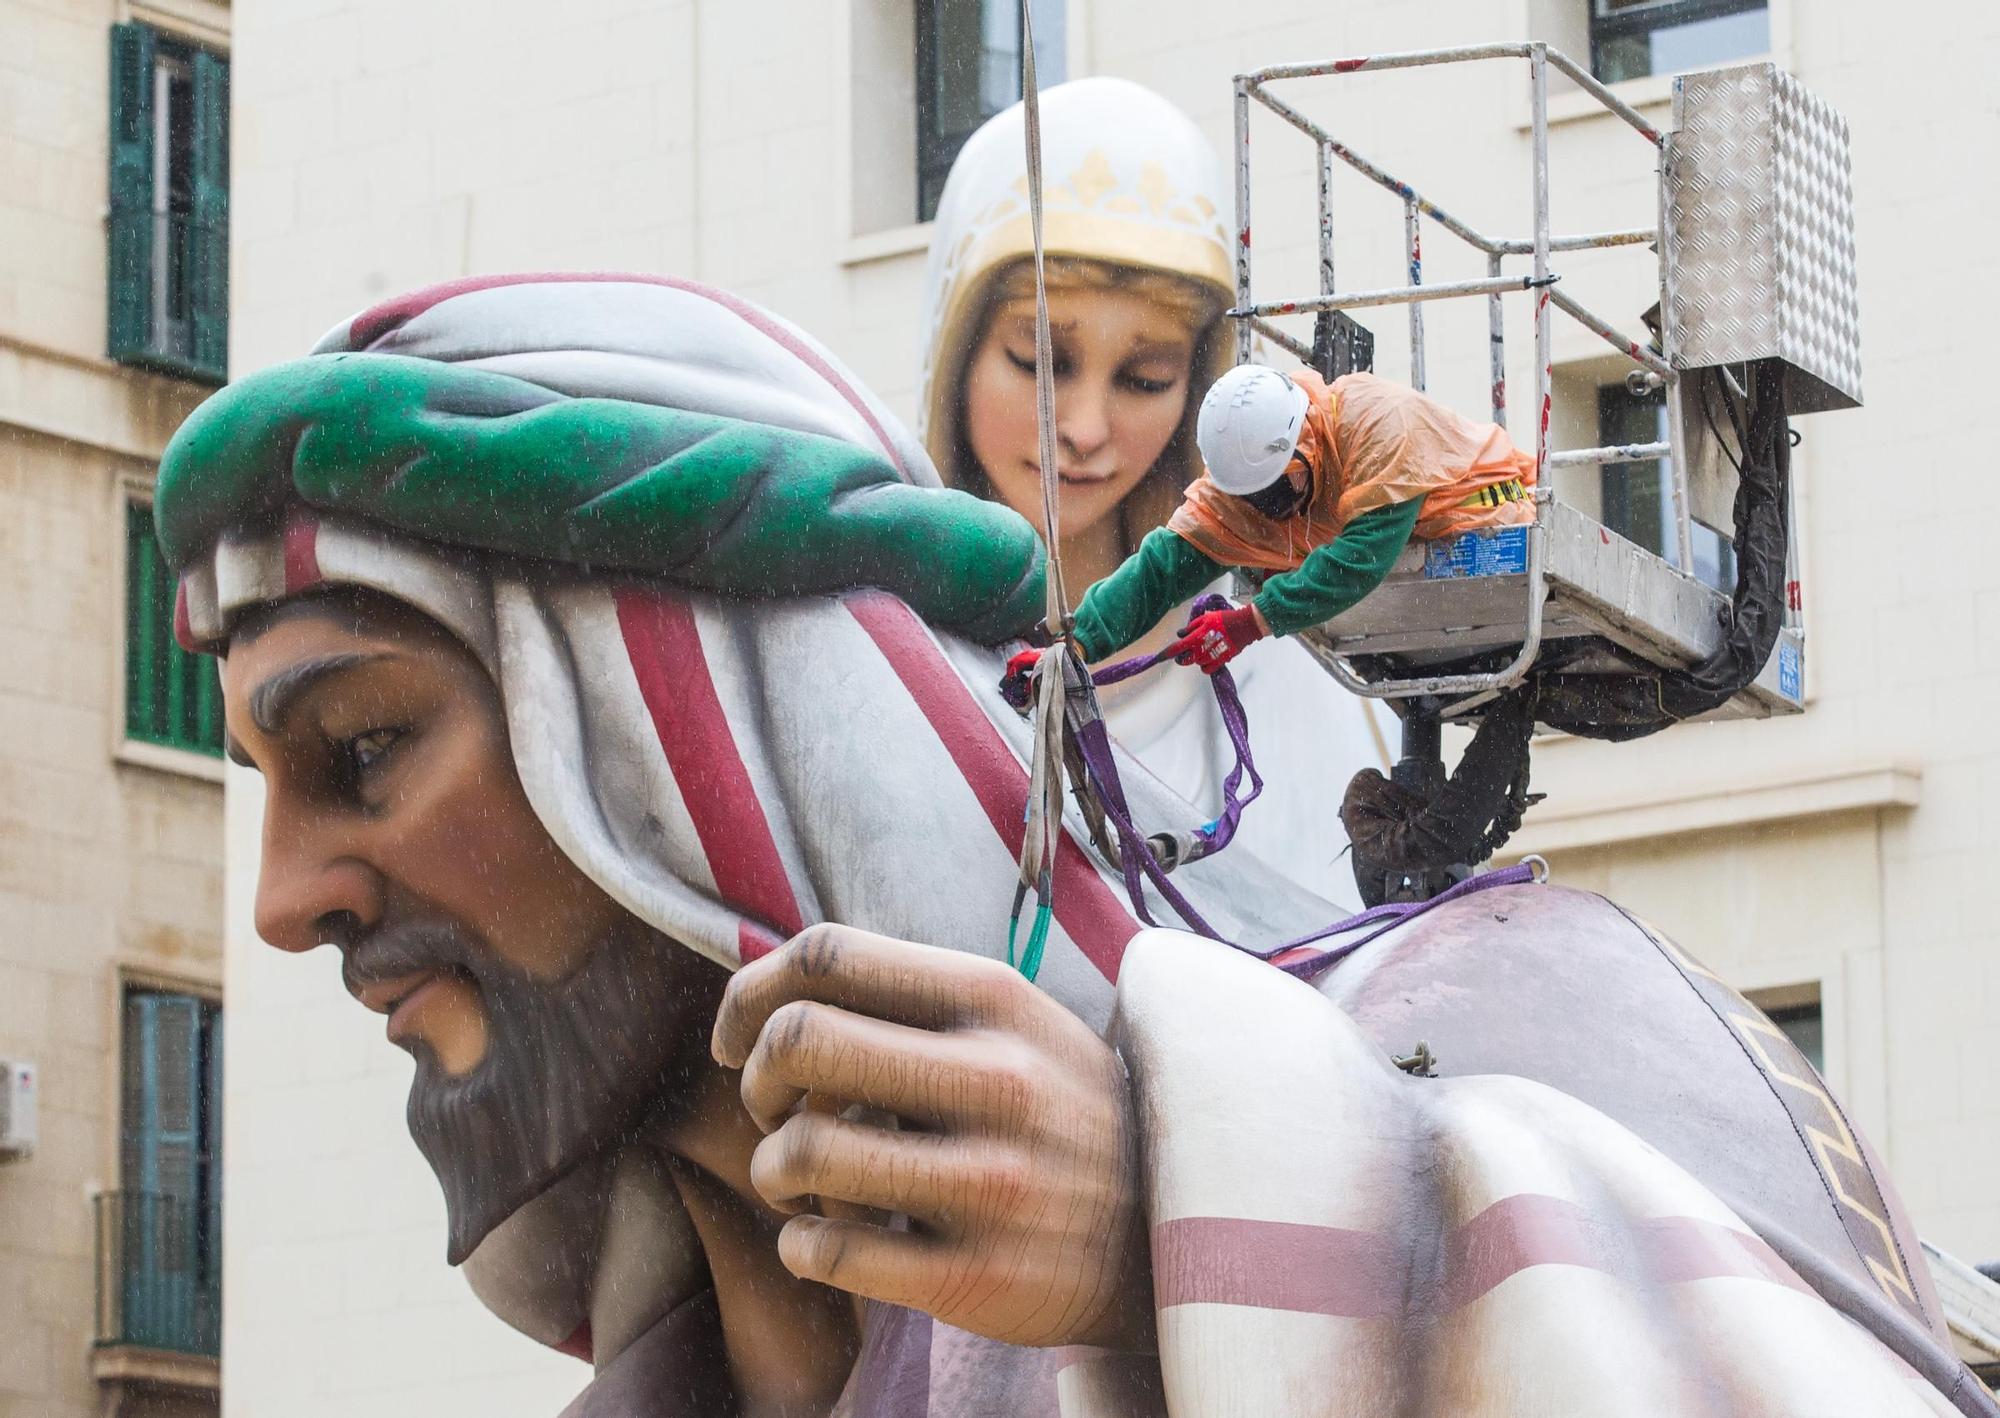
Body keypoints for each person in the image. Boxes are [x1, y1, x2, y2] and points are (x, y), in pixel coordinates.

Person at [170, 274, 1982, 1417]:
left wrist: (1173, 1229)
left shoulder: (1508, 999)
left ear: (675, 732)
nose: (284, 901)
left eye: (364, 745)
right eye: (1045, 361)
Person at [920, 77, 1389, 903]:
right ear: (954, 349)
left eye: (1146, 377)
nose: (1087, 428)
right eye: (1039, 363)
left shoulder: (1292, 671)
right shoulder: (878, 639)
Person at [1007, 362, 1537, 688]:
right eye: (1253, 497)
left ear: (1304, 439)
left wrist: (1250, 622)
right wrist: (1072, 651)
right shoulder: (1245, 493)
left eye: (1278, 489)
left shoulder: (1377, 421)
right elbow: (1158, 572)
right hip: (1419, 589)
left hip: (1491, 516)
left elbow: (1362, 558)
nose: (1269, 508)